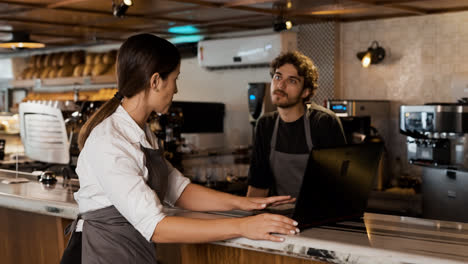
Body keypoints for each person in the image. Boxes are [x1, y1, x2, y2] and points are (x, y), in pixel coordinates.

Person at [60, 34, 298, 264]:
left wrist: (243, 204)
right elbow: (156, 227)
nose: (176, 89)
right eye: (175, 78)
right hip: (98, 256)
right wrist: (242, 226)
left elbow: (178, 190)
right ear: (155, 81)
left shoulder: (142, 132)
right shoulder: (110, 142)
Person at [247, 51, 346, 199]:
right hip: (280, 215)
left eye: (292, 81)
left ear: (305, 92)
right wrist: (247, 219)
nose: (281, 85)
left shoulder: (322, 122)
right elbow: (258, 186)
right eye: (278, 76)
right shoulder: (265, 125)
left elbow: (339, 186)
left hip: (320, 216)